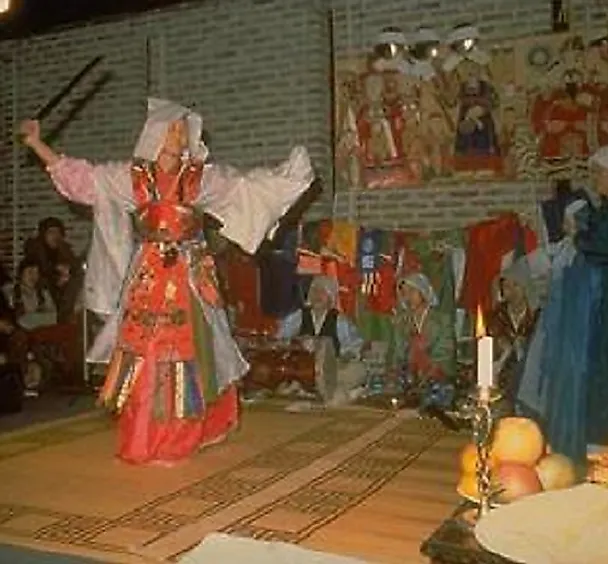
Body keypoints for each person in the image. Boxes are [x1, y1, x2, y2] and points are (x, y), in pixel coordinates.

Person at [19, 97, 314, 465]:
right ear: (155, 134)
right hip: (149, 278)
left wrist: (286, 177)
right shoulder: (132, 178)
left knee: (191, 349)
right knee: (146, 349)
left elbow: (244, 188)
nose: (180, 136)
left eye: (184, 131)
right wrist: (36, 143)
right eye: (173, 129)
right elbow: (84, 179)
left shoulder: (200, 178)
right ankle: (145, 434)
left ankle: (188, 433)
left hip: (191, 277)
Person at [516, 143, 608, 460]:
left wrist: (579, 234)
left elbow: (602, 247)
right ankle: (600, 437)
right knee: (600, 366)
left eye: (600, 173)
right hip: (606, 295)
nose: (596, 179)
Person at [277, 275, 366, 405]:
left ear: (331, 298)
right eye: (314, 291)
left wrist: (345, 356)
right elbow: (281, 339)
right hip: (301, 367)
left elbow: (353, 346)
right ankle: (307, 386)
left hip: (332, 367)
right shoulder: (298, 316)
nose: (317, 296)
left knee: (358, 370)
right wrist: (297, 341)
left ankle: (329, 389)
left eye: (322, 292)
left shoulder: (339, 321)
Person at [386, 272, 456, 410]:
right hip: (409, 374)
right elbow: (395, 351)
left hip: (436, 373)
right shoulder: (401, 321)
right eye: (404, 293)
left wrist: (431, 371)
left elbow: (446, 350)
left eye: (412, 291)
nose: (408, 297)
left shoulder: (441, 320)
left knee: (436, 397)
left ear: (423, 291)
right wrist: (393, 371)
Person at [487, 257, 543, 401]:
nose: (511, 291)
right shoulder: (498, 315)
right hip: (501, 377)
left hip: (530, 379)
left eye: (516, 285)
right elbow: (489, 343)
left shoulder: (537, 316)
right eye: (506, 286)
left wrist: (523, 346)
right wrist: (501, 347)